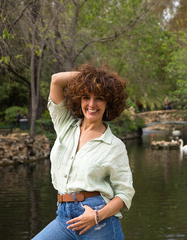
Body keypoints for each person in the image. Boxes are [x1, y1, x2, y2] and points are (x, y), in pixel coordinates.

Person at [32, 64, 135, 240]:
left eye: (100, 98)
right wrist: (92, 77)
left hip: (99, 220)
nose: (92, 104)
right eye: (86, 97)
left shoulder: (114, 146)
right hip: (63, 218)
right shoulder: (65, 125)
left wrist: (97, 216)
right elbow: (56, 80)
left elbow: (124, 194)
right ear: (79, 99)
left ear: (109, 102)